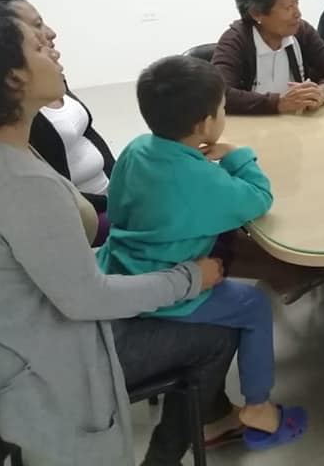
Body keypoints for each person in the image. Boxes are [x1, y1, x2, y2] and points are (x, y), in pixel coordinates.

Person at [0, 8, 241, 466]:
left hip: (12, 348)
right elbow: (88, 299)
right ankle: (165, 457)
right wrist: (190, 277)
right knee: (218, 331)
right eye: (37, 44)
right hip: (53, 370)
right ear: (12, 78)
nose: (53, 46)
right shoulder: (20, 185)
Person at [97, 55, 308, 449]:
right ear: (204, 124)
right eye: (223, 109)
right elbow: (258, 198)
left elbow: (132, 203)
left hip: (121, 269)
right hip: (168, 292)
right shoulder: (197, 179)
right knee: (254, 305)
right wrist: (237, 153)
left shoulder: (137, 149)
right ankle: (258, 406)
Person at [0, 0, 116, 245]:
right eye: (36, 27)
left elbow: (88, 133)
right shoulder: (15, 114)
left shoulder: (51, 78)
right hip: (86, 215)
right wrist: (118, 205)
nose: (50, 33)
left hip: (109, 198)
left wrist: (122, 185)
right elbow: (60, 203)